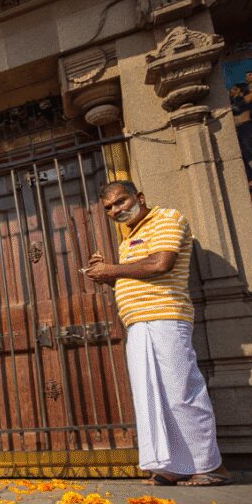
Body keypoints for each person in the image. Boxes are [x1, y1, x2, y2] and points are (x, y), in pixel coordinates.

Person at [84, 181, 232, 486]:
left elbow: (161, 264)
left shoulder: (166, 218)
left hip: (166, 317)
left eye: (121, 201)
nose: (116, 210)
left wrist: (111, 270)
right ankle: (172, 465)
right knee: (151, 396)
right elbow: (135, 276)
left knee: (181, 391)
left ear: (139, 197)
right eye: (109, 208)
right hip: (138, 323)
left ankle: (211, 466)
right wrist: (107, 275)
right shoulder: (129, 240)